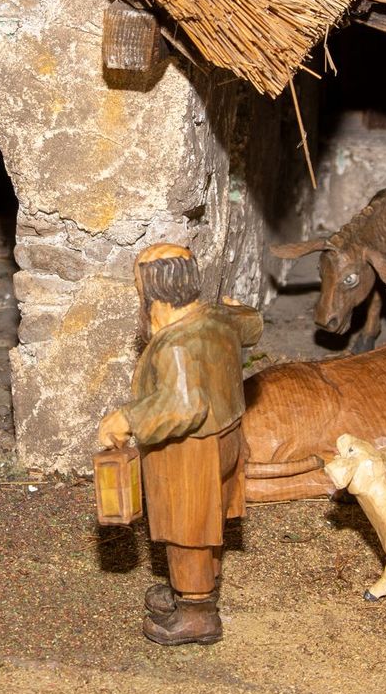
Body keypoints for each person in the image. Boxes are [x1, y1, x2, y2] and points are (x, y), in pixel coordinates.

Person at [97, 243, 263, 646]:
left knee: (187, 528)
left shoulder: (175, 345)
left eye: (140, 288)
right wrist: (240, 308)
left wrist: (127, 418)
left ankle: (196, 613)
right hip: (225, 437)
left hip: (191, 451)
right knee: (209, 522)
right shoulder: (217, 317)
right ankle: (197, 588)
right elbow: (252, 326)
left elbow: (183, 406)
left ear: (152, 293)